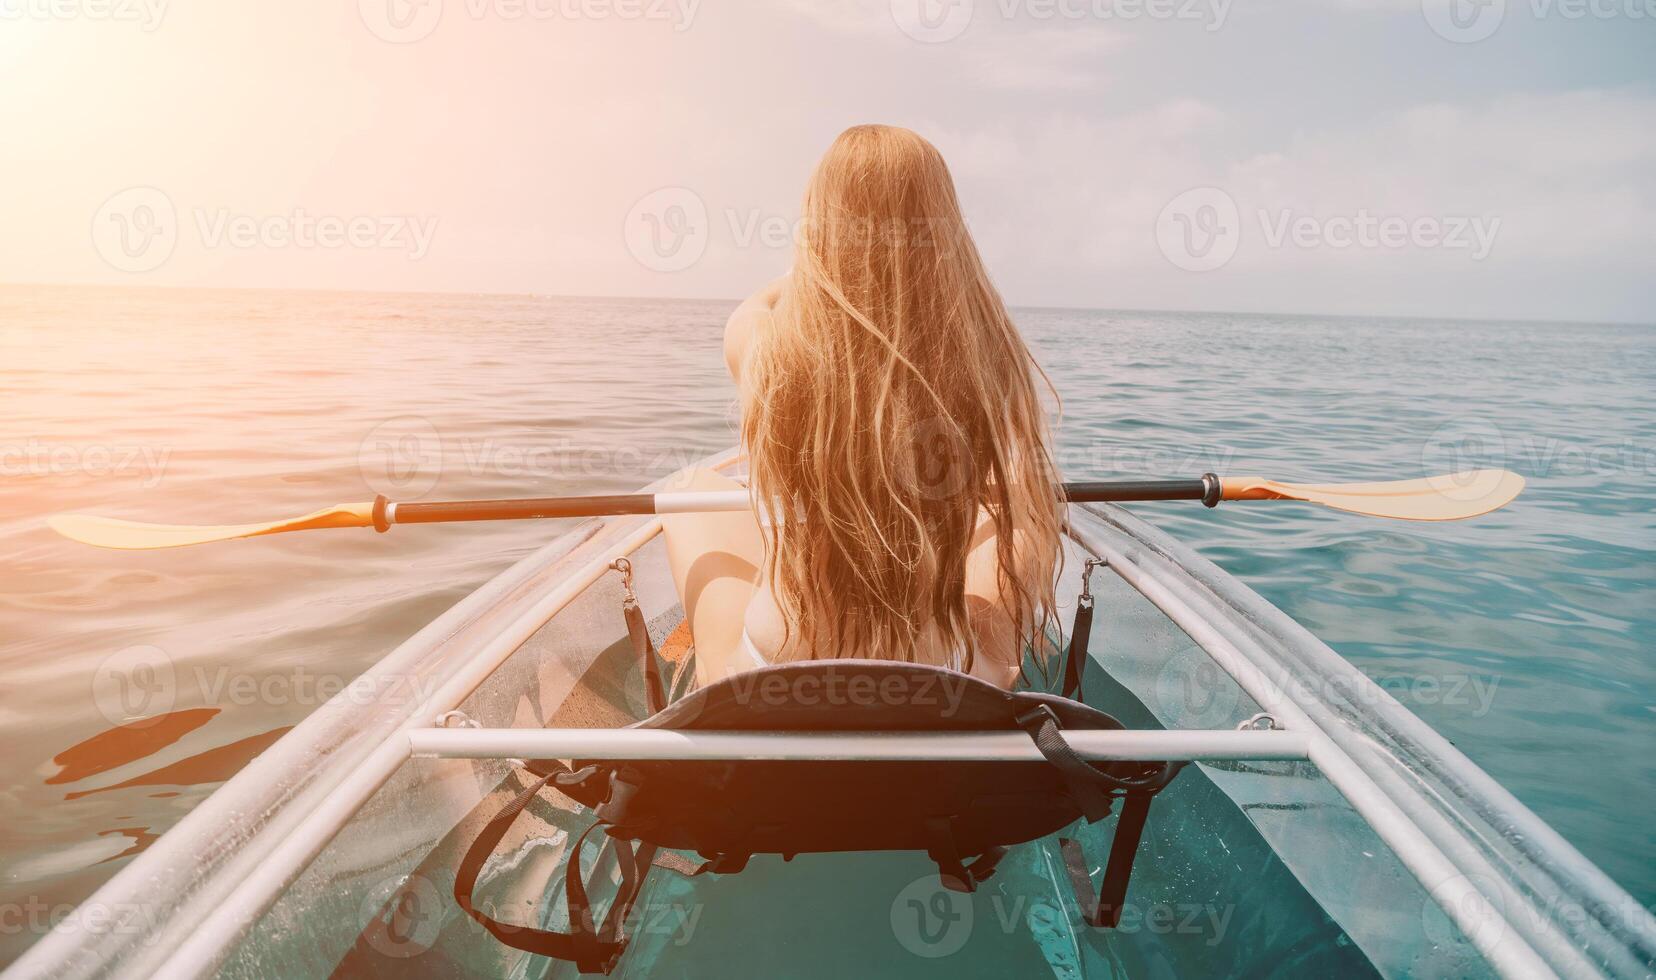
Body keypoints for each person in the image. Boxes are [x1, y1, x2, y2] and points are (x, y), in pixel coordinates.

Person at [662, 124, 1063, 691]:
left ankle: (711, 673)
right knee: (1024, 498)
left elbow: (751, 308)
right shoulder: (988, 356)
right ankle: (999, 676)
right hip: (944, 667)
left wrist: (811, 271)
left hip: (781, 657)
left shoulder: (770, 352)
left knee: (689, 488)